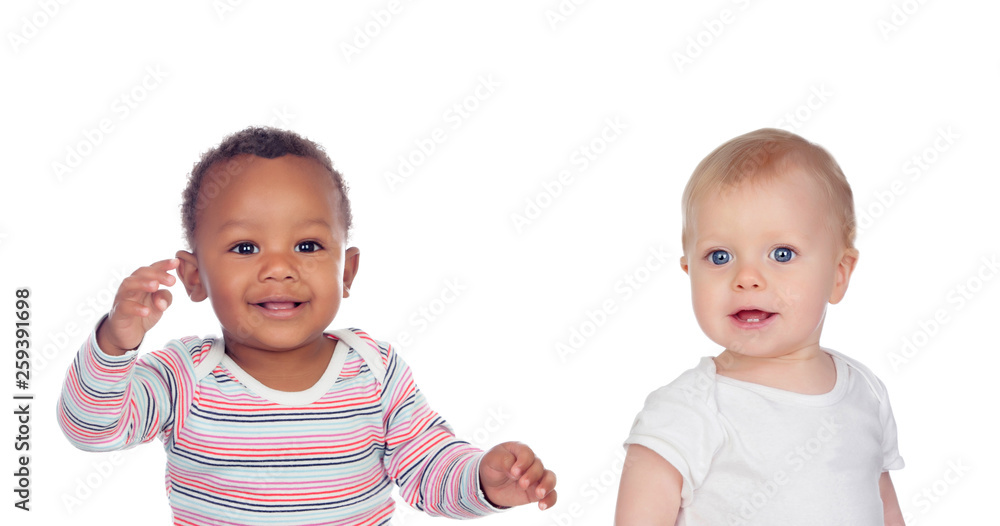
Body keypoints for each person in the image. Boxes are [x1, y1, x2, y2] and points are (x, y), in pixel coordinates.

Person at [58, 127, 557, 525]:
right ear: (194, 277)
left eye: (308, 246)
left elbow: (428, 469)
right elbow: (91, 429)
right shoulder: (183, 376)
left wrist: (484, 481)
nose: (279, 267)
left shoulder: (374, 371)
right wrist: (116, 342)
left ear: (347, 272)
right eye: (245, 248)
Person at [615, 128, 904, 525]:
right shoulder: (688, 410)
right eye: (719, 256)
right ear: (688, 271)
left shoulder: (865, 393)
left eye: (781, 254)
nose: (747, 277)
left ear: (838, 275)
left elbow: (884, 507)